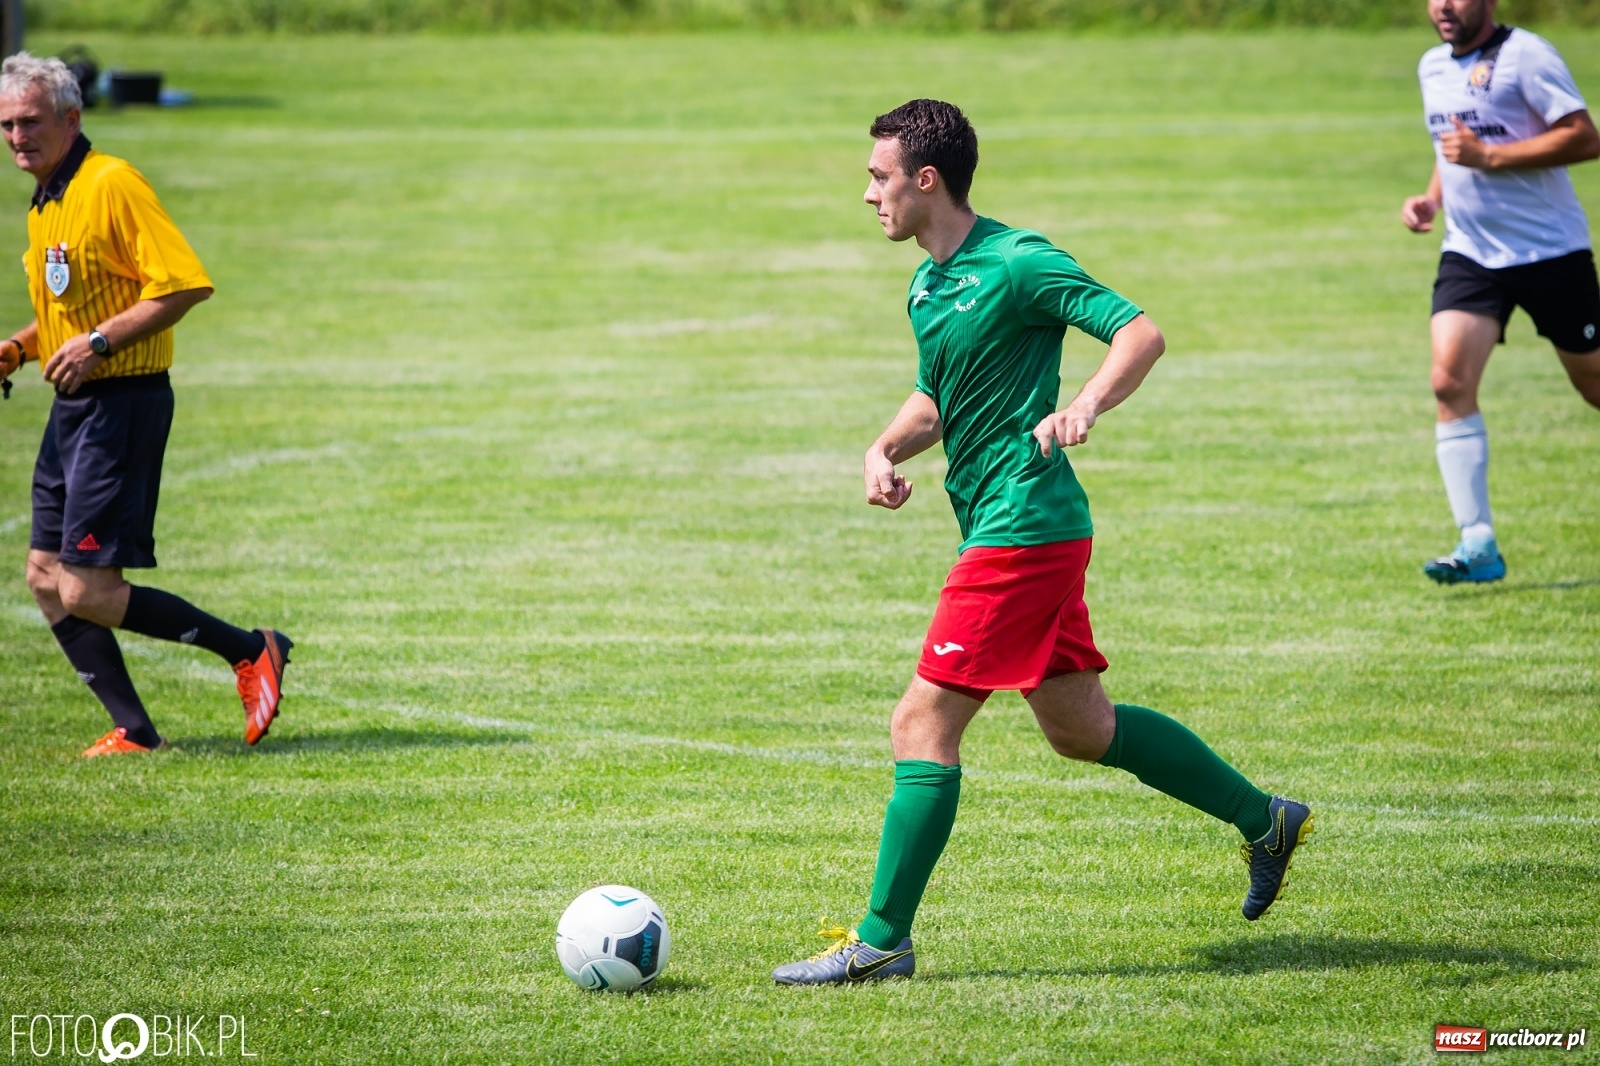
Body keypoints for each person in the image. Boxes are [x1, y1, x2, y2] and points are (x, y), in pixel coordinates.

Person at [771, 99, 1311, 986]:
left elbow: (1140, 331)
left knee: (921, 722)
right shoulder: (926, 282)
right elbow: (939, 396)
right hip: (1015, 526)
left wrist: (1086, 403)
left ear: (927, 179)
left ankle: (881, 942)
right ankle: (1266, 818)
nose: (868, 193)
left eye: (879, 176)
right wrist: (881, 446)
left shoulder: (1018, 262)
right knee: (1080, 727)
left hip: (1024, 528)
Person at [0, 53, 292, 757]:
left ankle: (252, 649)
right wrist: (19, 346)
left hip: (120, 404)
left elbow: (182, 285)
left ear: (72, 118)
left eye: (30, 122)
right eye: (6, 124)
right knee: (45, 578)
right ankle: (135, 731)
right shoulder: (49, 199)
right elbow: (75, 312)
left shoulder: (111, 183)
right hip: (73, 409)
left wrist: (99, 343)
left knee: (90, 590)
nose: (16, 137)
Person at [1401, 0, 1600, 584]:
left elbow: (1584, 138)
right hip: (1471, 253)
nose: (1443, 6)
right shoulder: (1431, 66)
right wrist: (1433, 199)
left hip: (1550, 252)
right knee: (1448, 381)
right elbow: (1451, 143)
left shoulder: (1527, 56)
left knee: (1593, 386)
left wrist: (1492, 156)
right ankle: (1477, 542)